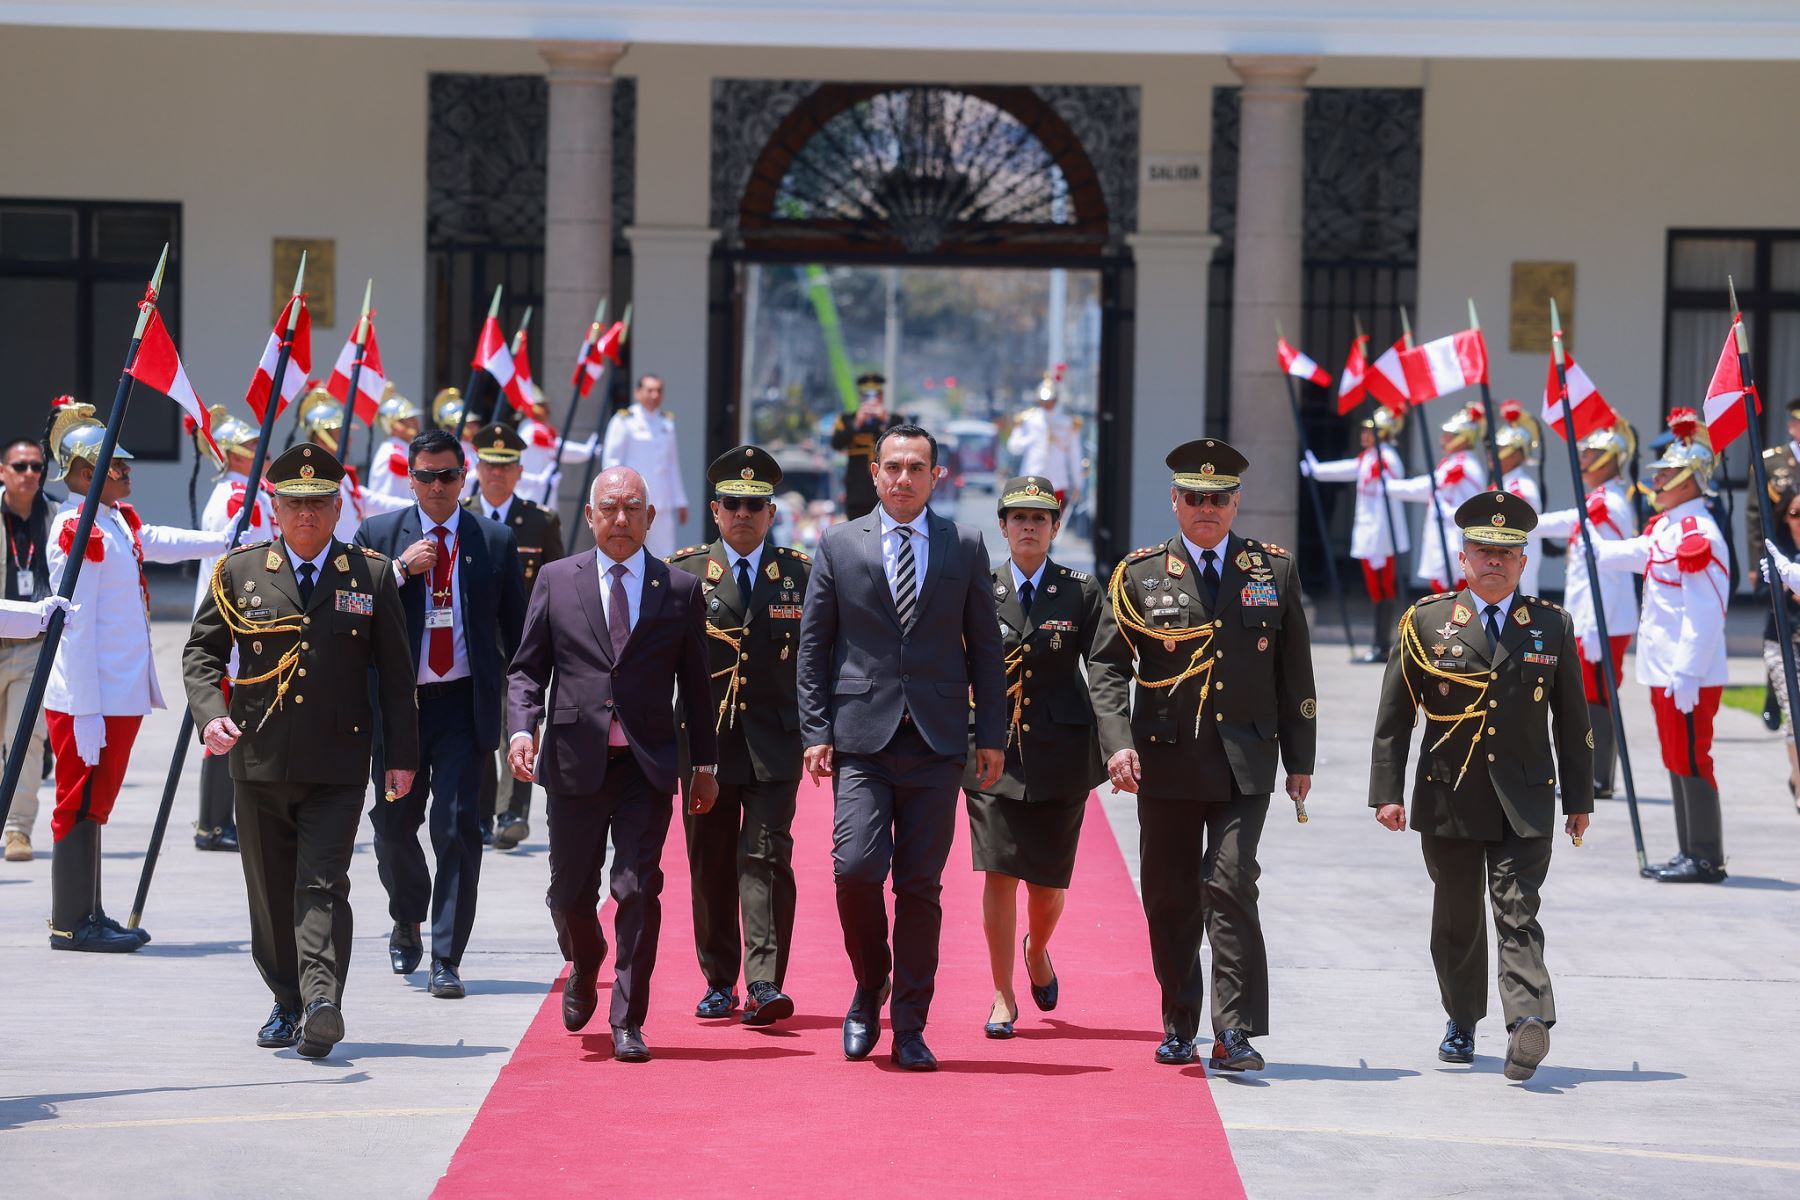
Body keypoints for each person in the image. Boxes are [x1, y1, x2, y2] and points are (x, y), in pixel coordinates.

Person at [183, 443, 418, 1059]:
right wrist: (210, 717)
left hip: (338, 763)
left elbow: (396, 675)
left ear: (339, 507)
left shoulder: (368, 574)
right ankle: (287, 999)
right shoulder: (240, 572)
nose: (306, 517)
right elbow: (202, 654)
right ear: (275, 508)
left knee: (321, 882)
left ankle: (320, 1002)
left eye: (317, 505)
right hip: (257, 760)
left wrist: (402, 756)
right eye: (294, 505)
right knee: (268, 890)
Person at [1088, 438, 1316, 1072]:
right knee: (1168, 896)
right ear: (1175, 501)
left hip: (1246, 760)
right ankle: (1177, 1021)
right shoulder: (1137, 574)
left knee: (1232, 882)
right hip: (1165, 760)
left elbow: (1295, 674)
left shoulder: (1273, 570)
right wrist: (1118, 743)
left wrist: (1301, 761)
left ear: (1236, 502)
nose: (1206, 509)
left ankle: (1234, 1029)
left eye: (1218, 499)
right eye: (1194, 498)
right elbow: (1107, 666)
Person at [796, 423, 1007, 1072]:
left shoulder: (963, 544)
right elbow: (814, 648)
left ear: (936, 476)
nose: (904, 477)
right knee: (855, 870)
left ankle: (910, 1026)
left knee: (920, 888)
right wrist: (815, 731)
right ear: (875, 473)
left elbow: (987, 649)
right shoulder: (837, 545)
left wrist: (990, 735)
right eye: (893, 466)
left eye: (918, 467)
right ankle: (870, 983)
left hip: (939, 743)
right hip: (862, 739)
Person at [1369, 489, 1592, 1082]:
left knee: (1517, 911)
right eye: (1482, 550)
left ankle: (1526, 1025)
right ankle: (1463, 1019)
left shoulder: (1550, 625)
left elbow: (1574, 721)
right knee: (1458, 919)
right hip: (1450, 796)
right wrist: (1387, 791)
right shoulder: (1427, 622)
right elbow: (1394, 716)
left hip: (1525, 798)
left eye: (1507, 552)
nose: (1494, 561)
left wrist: (1580, 799)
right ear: (1463, 557)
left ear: (1523, 562)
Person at [506, 466, 719, 1063]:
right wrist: (523, 730)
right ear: (592, 516)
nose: (621, 519)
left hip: (646, 767)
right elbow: (526, 669)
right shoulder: (556, 579)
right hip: (574, 761)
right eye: (609, 508)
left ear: (651, 517)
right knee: (570, 893)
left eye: (632, 508)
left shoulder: (678, 590)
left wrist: (704, 763)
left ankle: (629, 1017)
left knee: (636, 889)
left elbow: (696, 686)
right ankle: (586, 958)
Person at [43, 401, 230, 952]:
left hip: (119, 692)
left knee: (96, 802)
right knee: (77, 803)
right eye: (115, 467)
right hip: (91, 697)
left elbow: (162, 542)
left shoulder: (113, 520)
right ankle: (71, 922)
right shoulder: (77, 530)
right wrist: (87, 711)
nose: (127, 472)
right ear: (83, 473)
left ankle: (90, 910)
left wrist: (223, 541)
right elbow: (72, 627)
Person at [356, 428, 527, 997]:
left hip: (461, 706)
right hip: (398, 712)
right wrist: (399, 571)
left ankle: (446, 956)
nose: (437, 485)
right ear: (410, 478)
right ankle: (407, 914)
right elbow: (350, 615)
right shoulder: (379, 536)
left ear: (464, 477)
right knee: (393, 830)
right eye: (426, 475)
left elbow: (519, 634)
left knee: (457, 829)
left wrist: (526, 711)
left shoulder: (493, 541)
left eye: (448, 475)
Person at [666, 445, 812, 1028]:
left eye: (755, 505)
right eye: (733, 504)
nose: (743, 514)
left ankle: (764, 981)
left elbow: (819, 660)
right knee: (709, 860)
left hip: (777, 738)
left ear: (772, 513)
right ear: (715, 509)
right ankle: (719, 980)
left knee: (767, 853)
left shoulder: (801, 573)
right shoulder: (683, 574)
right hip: (706, 742)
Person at [962, 475, 1104, 1039]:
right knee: (998, 873)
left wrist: (1120, 745)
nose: (1027, 526)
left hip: (1060, 752)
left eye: (1038, 519)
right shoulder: (977, 588)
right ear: (1002, 526)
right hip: (991, 752)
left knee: (1046, 885)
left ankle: (1037, 948)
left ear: (1054, 528)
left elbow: (1107, 671)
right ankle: (1002, 994)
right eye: (1017, 517)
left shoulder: (1081, 591)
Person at [1591, 409, 1730, 883]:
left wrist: (1689, 671)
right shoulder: (1668, 526)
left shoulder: (1698, 534)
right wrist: (1593, 544)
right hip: (1663, 669)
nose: (1658, 481)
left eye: (1667, 474)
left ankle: (1706, 857)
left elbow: (1706, 611)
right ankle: (1688, 850)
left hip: (1686, 672)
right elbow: (1633, 554)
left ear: (1693, 480)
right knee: (1675, 757)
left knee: (1692, 758)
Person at [461, 422, 565, 849]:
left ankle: (512, 812)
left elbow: (557, 580)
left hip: (525, 640)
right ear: (477, 468)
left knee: (520, 724)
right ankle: (484, 814)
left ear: (520, 471)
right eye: (489, 464)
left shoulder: (540, 522)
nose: (497, 474)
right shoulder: (460, 514)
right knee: (480, 727)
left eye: (506, 466)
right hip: (472, 642)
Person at [1535, 420, 1640, 798]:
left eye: (1592, 454)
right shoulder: (1599, 499)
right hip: (1592, 616)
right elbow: (1564, 522)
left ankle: (1597, 778)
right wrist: (1519, 523)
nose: (1584, 459)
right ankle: (1593, 777)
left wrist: (1595, 626)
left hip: (1603, 619)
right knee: (1588, 694)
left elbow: (1608, 571)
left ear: (1613, 459)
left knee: (1597, 694)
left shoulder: (1608, 503)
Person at [191, 405, 270, 852]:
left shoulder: (249, 490)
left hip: (243, 629)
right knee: (225, 724)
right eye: (254, 445)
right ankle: (214, 824)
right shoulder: (236, 497)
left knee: (236, 723)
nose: (261, 450)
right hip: (237, 629)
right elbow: (244, 566)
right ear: (235, 453)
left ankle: (219, 820)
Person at [1301, 405, 1410, 664]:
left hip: (1381, 534)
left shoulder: (1387, 458)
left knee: (1383, 588)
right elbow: (1348, 469)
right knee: (1375, 588)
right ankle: (1379, 643)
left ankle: (1382, 644)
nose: (1363, 433)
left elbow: (1394, 486)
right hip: (1369, 532)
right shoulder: (1369, 457)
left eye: (1369, 430)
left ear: (1382, 433)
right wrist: (1317, 470)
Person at [2, 430, 59, 862]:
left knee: (27, 740)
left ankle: (18, 830)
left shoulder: (56, 518)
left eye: (36, 466)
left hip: (34, 648)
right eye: (20, 466)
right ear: (3, 471)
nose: (29, 474)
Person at [1386, 403, 1489, 592]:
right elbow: (1428, 488)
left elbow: (1429, 489)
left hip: (1453, 536)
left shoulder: (1463, 465)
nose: (1443, 439)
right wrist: (1390, 487)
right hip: (1443, 534)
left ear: (1463, 438)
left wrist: (1387, 486)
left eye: (1449, 435)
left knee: (1454, 594)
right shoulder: (1453, 463)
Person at [602, 374, 689, 558]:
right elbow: (611, 462)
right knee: (629, 552)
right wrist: (612, 499)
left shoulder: (666, 422)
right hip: (631, 503)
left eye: (658, 390)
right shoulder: (624, 420)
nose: (654, 395)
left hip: (662, 503)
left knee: (665, 555)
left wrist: (680, 501)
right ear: (638, 393)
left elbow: (672, 465)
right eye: (650, 390)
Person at [1759, 481, 1800, 810]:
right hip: (1783, 642)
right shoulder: (1776, 551)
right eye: (1795, 514)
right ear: (1784, 517)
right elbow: (1763, 595)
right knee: (1795, 713)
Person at [1005, 367, 1085, 506]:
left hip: (1057, 482)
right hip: (1031, 480)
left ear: (1056, 401)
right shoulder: (1028, 420)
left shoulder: (1067, 424)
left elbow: (1074, 454)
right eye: (1044, 401)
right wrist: (1031, 438)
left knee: (1053, 524)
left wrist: (1078, 483)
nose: (1047, 404)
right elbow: (1014, 447)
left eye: (1050, 401)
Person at [517, 382, 600, 513]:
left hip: (543, 491)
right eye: (543, 405)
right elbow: (559, 448)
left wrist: (586, 452)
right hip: (532, 493)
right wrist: (586, 451)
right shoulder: (532, 430)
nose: (547, 409)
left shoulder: (536, 428)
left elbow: (559, 449)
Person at [829, 372, 901, 521]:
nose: (871, 400)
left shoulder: (894, 419)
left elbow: (902, 443)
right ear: (861, 396)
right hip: (857, 490)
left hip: (886, 488)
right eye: (866, 395)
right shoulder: (847, 419)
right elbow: (836, 443)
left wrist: (885, 422)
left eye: (876, 395)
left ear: (881, 396)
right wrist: (856, 424)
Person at [1743, 394, 1800, 578]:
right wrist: (1755, 564)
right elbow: (1755, 514)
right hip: (1784, 552)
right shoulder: (1770, 463)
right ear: (1791, 426)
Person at [1494, 401, 1546, 599]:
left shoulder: (1519, 487)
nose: (1493, 453)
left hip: (1515, 561)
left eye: (1501, 448)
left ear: (1516, 452)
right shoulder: (1506, 483)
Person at [367, 391, 422, 503]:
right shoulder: (390, 451)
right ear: (396, 426)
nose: (416, 423)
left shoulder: (403, 448)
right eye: (410, 419)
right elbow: (386, 497)